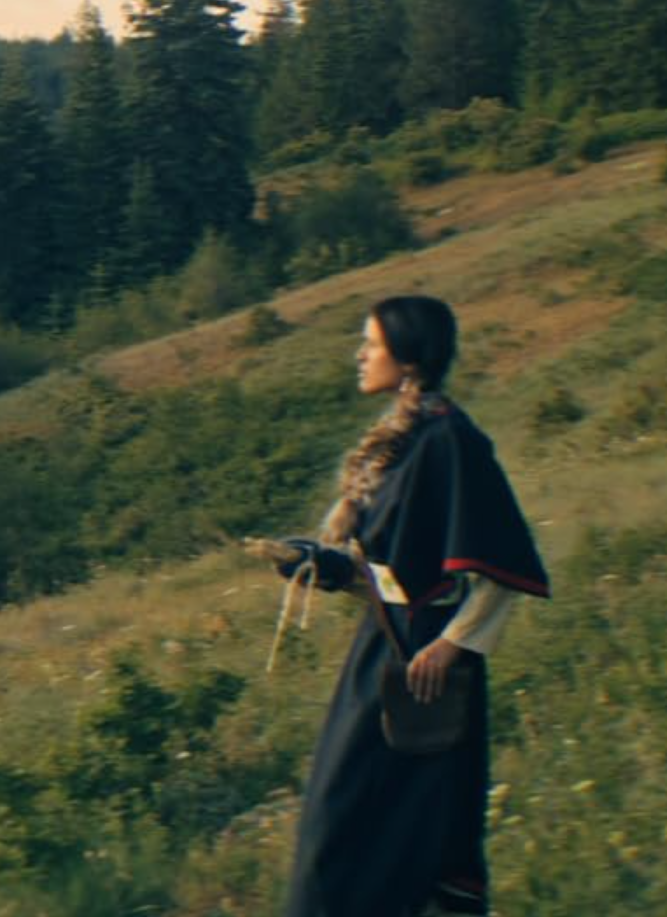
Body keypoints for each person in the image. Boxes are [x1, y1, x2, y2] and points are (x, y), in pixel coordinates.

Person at [244, 296, 548, 916]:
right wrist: (326, 567)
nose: (359, 356)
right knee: (341, 823)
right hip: (382, 651)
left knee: (386, 826)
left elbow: (501, 568)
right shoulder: (403, 441)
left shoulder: (450, 440)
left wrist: (450, 645)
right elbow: (392, 572)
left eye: (371, 345)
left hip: (425, 669)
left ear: (408, 359)